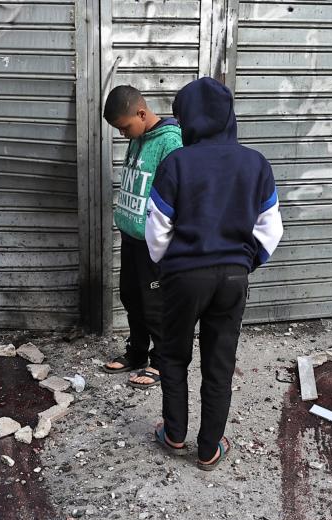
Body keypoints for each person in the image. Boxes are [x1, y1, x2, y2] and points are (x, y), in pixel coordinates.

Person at [145, 77, 284, 470]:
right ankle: (208, 449)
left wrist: (167, 265)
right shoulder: (255, 163)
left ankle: (174, 434)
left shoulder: (177, 162)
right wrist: (245, 262)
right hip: (233, 277)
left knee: (173, 355)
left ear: (187, 118)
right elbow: (271, 227)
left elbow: (158, 228)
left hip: (184, 277)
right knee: (219, 361)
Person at [101, 85, 183, 388]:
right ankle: (137, 353)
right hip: (131, 236)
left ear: (141, 112)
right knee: (131, 297)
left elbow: (177, 193)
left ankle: (162, 361)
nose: (123, 134)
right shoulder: (139, 137)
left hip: (153, 242)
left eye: (124, 127)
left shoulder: (171, 142)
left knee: (155, 304)